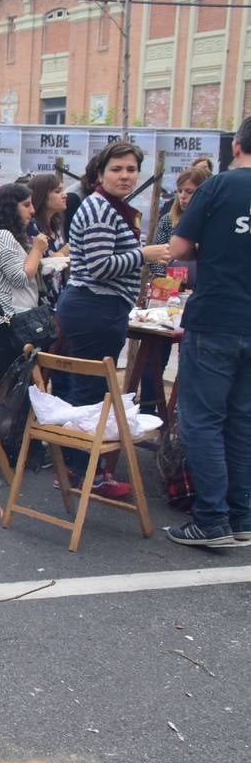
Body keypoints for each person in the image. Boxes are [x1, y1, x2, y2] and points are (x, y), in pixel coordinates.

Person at [52, 141, 170, 498]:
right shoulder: (102, 208)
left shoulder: (110, 206)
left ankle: (74, 469)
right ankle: (84, 474)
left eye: (131, 169)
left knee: (80, 390)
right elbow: (102, 266)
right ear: (100, 173)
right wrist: (143, 254)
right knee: (90, 395)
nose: (125, 175)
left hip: (95, 308)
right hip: (95, 308)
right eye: (117, 169)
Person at [166, 117, 251, 548]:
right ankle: (242, 517)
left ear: (235, 145)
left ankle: (212, 520)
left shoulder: (218, 187)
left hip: (217, 314)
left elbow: (178, 248)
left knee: (202, 421)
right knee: (242, 420)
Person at [139, 165, 211, 413]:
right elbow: (158, 259)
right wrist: (167, 287)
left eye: (189, 192)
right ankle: (148, 407)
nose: (183, 197)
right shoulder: (170, 220)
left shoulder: (211, 222)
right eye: (180, 191)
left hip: (198, 296)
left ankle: (181, 411)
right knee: (155, 354)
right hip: (166, 297)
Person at [0, 184, 49, 383]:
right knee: (7, 389)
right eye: (26, 205)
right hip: (4, 323)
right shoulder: (2, 236)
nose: (32, 211)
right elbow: (22, 277)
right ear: (10, 208)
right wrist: (37, 249)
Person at [27, 173, 71, 309]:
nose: (64, 195)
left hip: (59, 295)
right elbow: (34, 267)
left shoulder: (56, 225)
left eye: (63, 191)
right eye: (57, 192)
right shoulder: (32, 227)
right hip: (40, 300)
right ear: (42, 196)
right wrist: (62, 254)